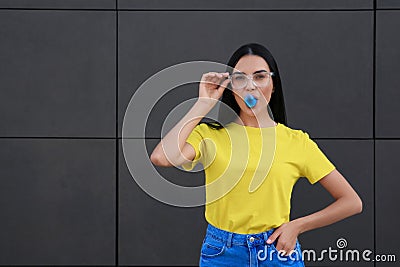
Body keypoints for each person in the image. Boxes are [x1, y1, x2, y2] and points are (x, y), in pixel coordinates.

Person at [150, 43, 363, 267]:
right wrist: (203, 104)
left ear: (273, 84)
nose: (250, 87)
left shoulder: (296, 141)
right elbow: (161, 157)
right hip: (222, 253)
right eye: (240, 79)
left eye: (260, 77)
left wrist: (297, 226)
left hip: (276, 252)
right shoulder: (209, 135)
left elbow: (351, 202)